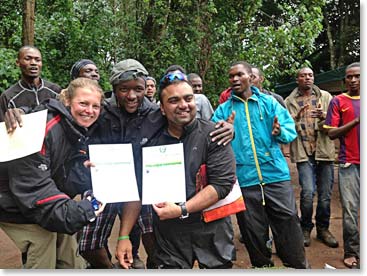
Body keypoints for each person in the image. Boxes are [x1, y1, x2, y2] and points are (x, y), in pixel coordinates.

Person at [0, 78, 110, 268]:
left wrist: (84, 173)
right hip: (16, 209)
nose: (89, 111)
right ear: (67, 101)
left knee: (71, 257)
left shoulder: (74, 128)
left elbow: (61, 180)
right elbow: (35, 191)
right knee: (44, 247)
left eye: (95, 106)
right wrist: (82, 210)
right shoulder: (42, 129)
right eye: (83, 103)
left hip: (36, 205)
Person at [212, 61, 308, 268]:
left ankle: (298, 266)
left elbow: (289, 130)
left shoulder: (270, 103)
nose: (235, 79)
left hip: (275, 174)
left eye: (239, 75)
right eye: (231, 76)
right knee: (252, 231)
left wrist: (279, 132)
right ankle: (262, 267)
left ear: (250, 77)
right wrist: (225, 131)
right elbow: (213, 139)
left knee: (289, 222)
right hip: (244, 179)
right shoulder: (223, 110)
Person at [141, 71, 237, 269]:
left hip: (212, 225)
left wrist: (181, 209)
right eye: (174, 100)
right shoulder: (150, 143)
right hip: (170, 231)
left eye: (188, 98)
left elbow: (221, 185)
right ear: (162, 108)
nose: (183, 105)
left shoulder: (215, 134)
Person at [284, 67, 338, 248]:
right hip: (303, 152)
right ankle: (305, 228)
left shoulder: (326, 97)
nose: (307, 78)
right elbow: (285, 128)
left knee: (325, 195)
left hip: (324, 152)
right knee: (307, 193)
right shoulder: (289, 101)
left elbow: (335, 124)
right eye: (303, 75)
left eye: (310, 75)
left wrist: (325, 117)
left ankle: (323, 229)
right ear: (297, 79)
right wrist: (296, 118)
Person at [323, 62, 360, 269]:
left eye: (357, 76)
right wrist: (355, 122)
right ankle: (352, 251)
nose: (353, 80)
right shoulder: (338, 101)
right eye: (349, 77)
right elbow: (331, 133)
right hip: (349, 163)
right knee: (350, 210)